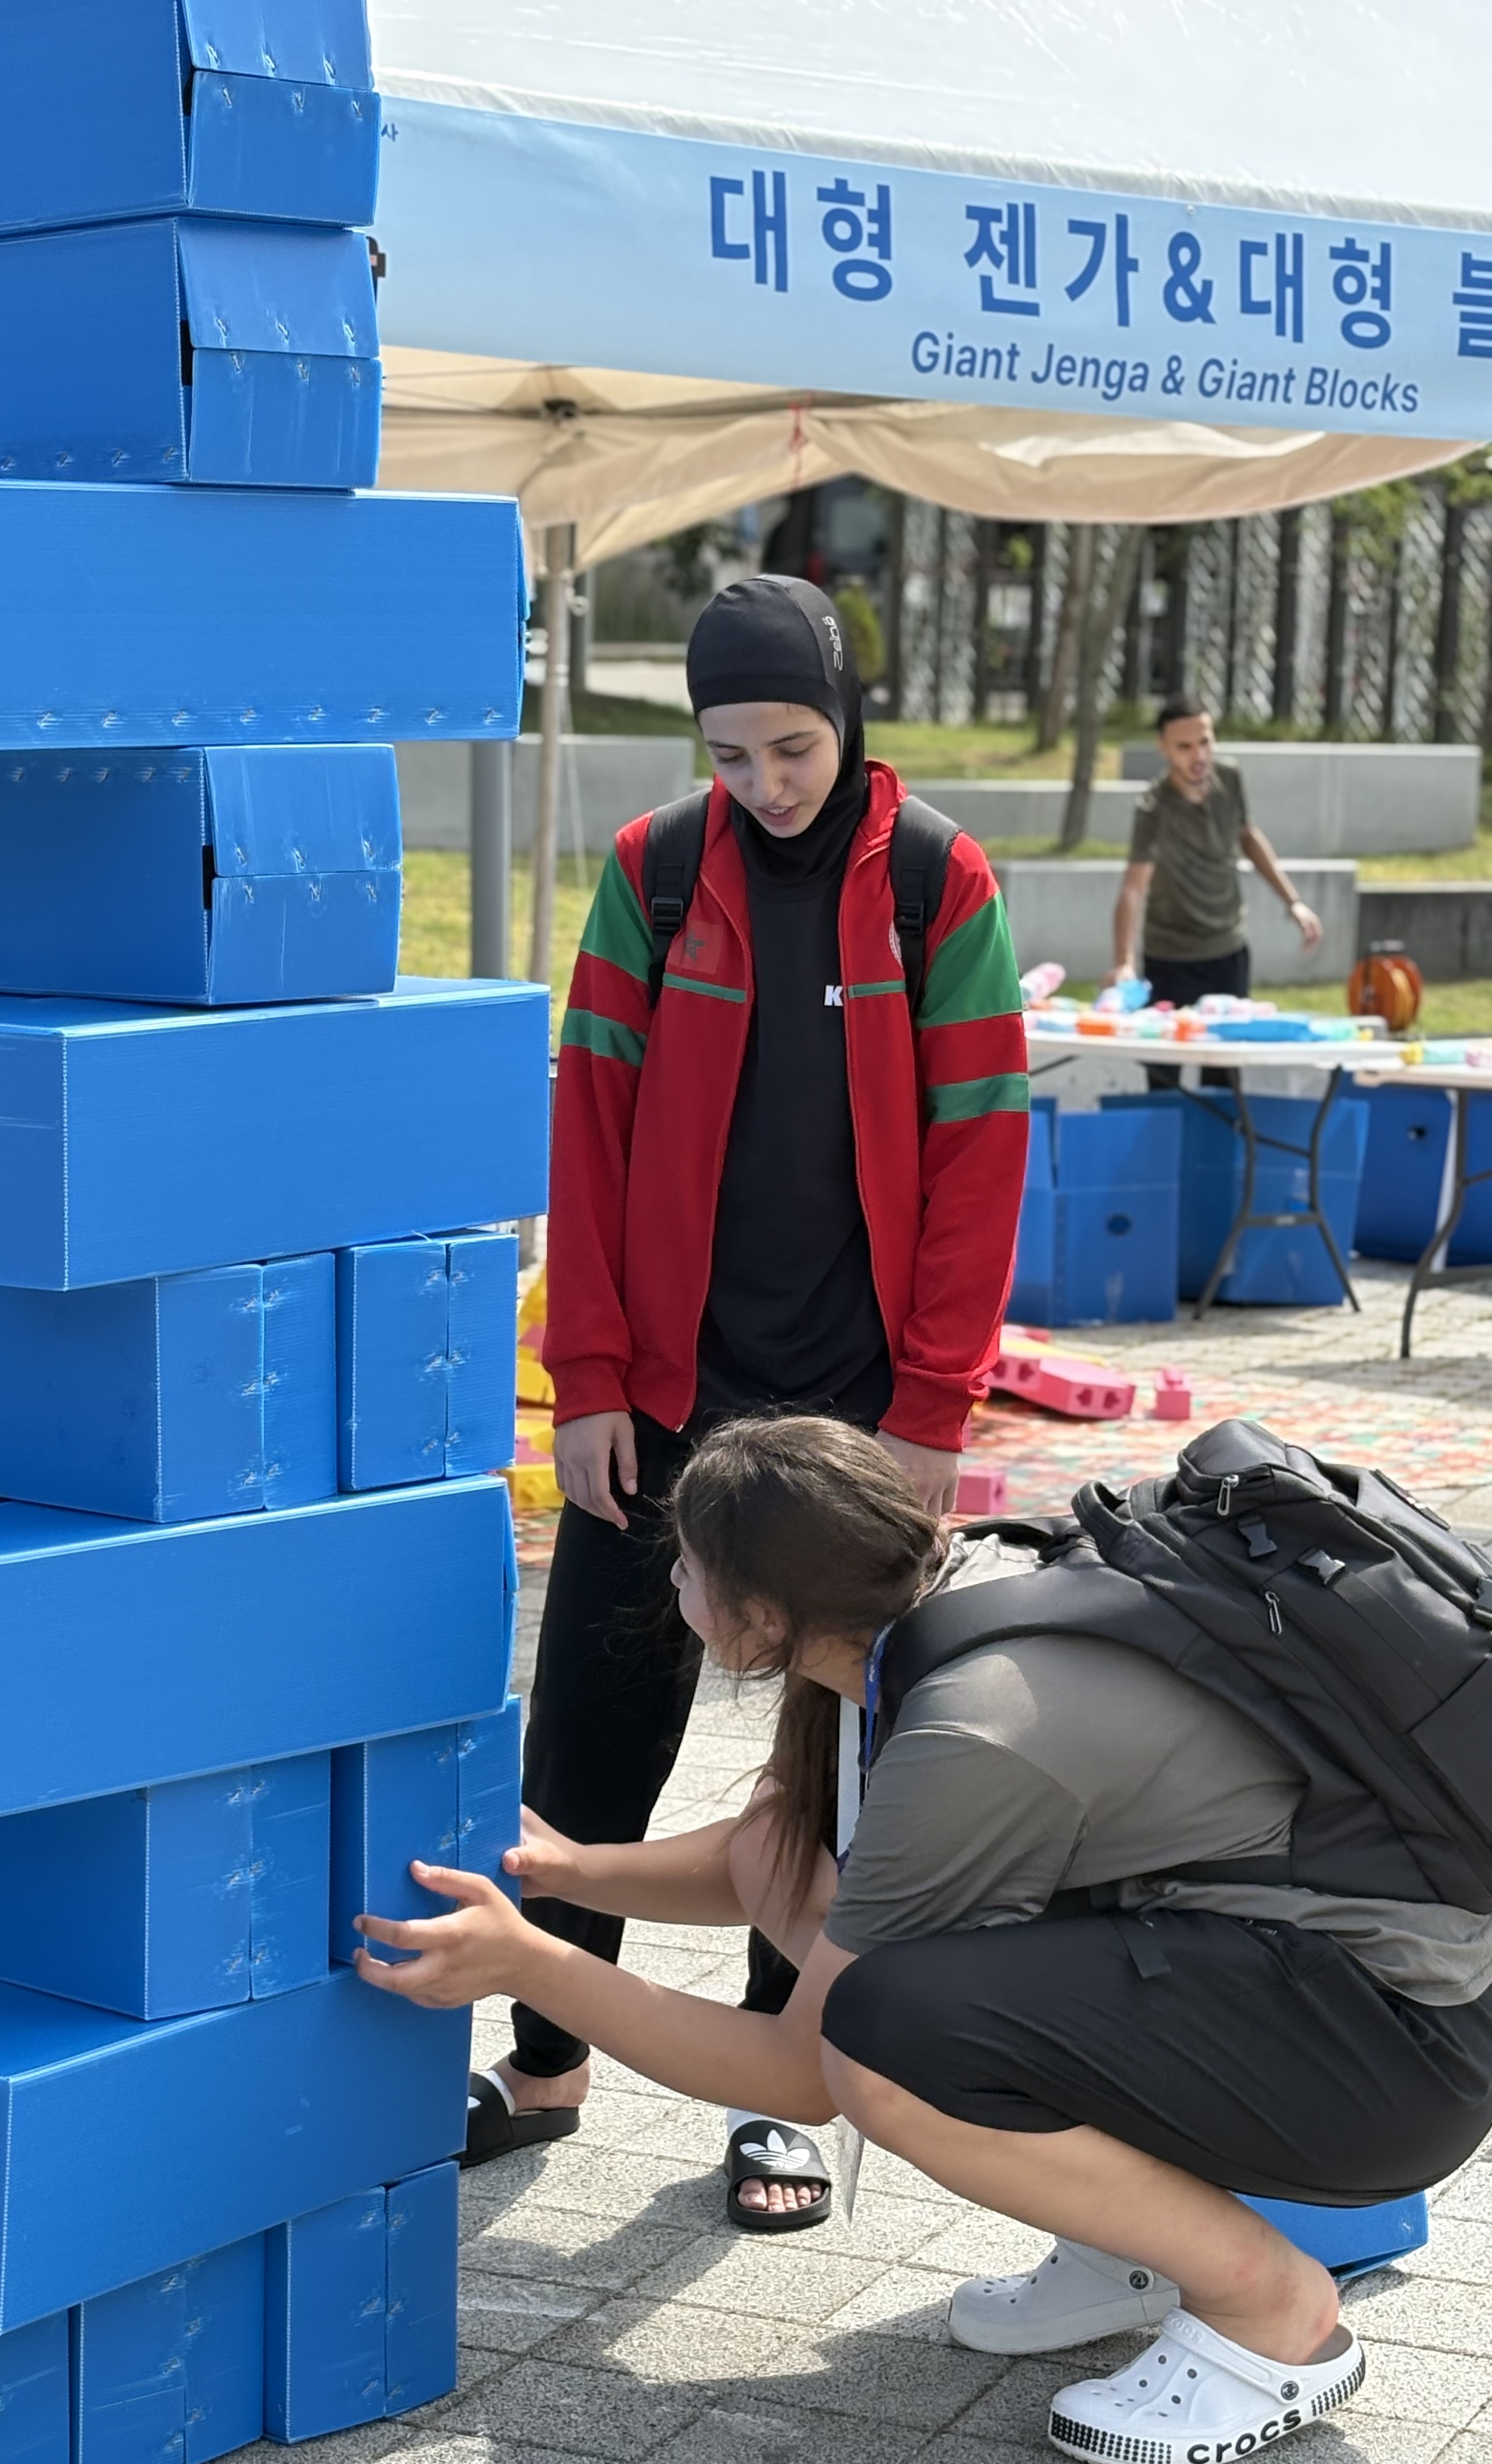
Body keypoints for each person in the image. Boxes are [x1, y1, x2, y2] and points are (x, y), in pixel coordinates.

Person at [355, 1415, 1492, 2462]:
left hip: (1394, 2057)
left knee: (886, 2036)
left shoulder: (972, 1730)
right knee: (898, 1977)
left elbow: (800, 2077)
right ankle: (1136, 2248)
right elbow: (776, 1856)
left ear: (760, 1617)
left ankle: (1271, 2314)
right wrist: (566, 1869)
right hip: (1305, 1986)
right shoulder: (935, 1599)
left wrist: (535, 1964)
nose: (672, 1580)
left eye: (687, 1565)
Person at [468, 575, 1028, 2223]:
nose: (767, 783)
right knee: (591, 1726)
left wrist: (934, 1411)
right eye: (731, 754)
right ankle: (548, 2058)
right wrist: (585, 1377)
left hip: (854, 1412)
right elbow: (588, 1128)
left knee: (830, 1751)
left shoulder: (937, 884)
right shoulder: (654, 874)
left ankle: (788, 2090)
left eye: (793, 748)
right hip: (665, 1394)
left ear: (847, 719)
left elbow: (982, 1147)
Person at [1112, 695, 1321, 1090]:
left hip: (1227, 950)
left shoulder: (1230, 778)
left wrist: (1293, 902)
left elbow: (1248, 836)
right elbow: (1134, 888)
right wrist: (1124, 961)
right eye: (1184, 747)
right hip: (1172, 957)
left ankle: (1220, 1134)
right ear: (1163, 748)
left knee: (1224, 1079)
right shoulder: (1155, 809)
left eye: (1205, 742)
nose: (1199, 756)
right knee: (1165, 1079)